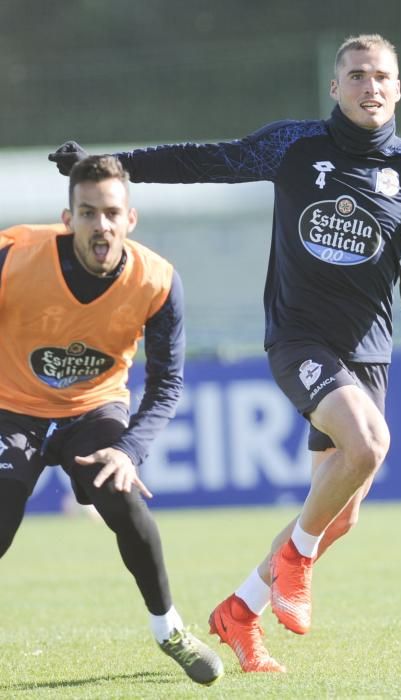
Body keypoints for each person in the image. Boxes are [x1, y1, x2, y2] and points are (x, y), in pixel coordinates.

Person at [49, 34, 401, 674]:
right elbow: (210, 159)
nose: (369, 87)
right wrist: (112, 163)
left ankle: (241, 611)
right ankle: (294, 563)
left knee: (340, 516)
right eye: (356, 76)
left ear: (399, 88)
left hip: (369, 355)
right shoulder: (297, 145)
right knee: (371, 444)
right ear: (335, 87)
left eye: (381, 76)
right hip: (299, 338)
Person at [0, 155, 224, 686]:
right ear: (68, 218)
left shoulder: (159, 281)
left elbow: (167, 383)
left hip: (93, 408)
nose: (101, 225)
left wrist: (128, 451)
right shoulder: (14, 256)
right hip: (13, 406)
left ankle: (169, 629)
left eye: (111, 213)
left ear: (131, 219)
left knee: (122, 498)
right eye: (88, 213)